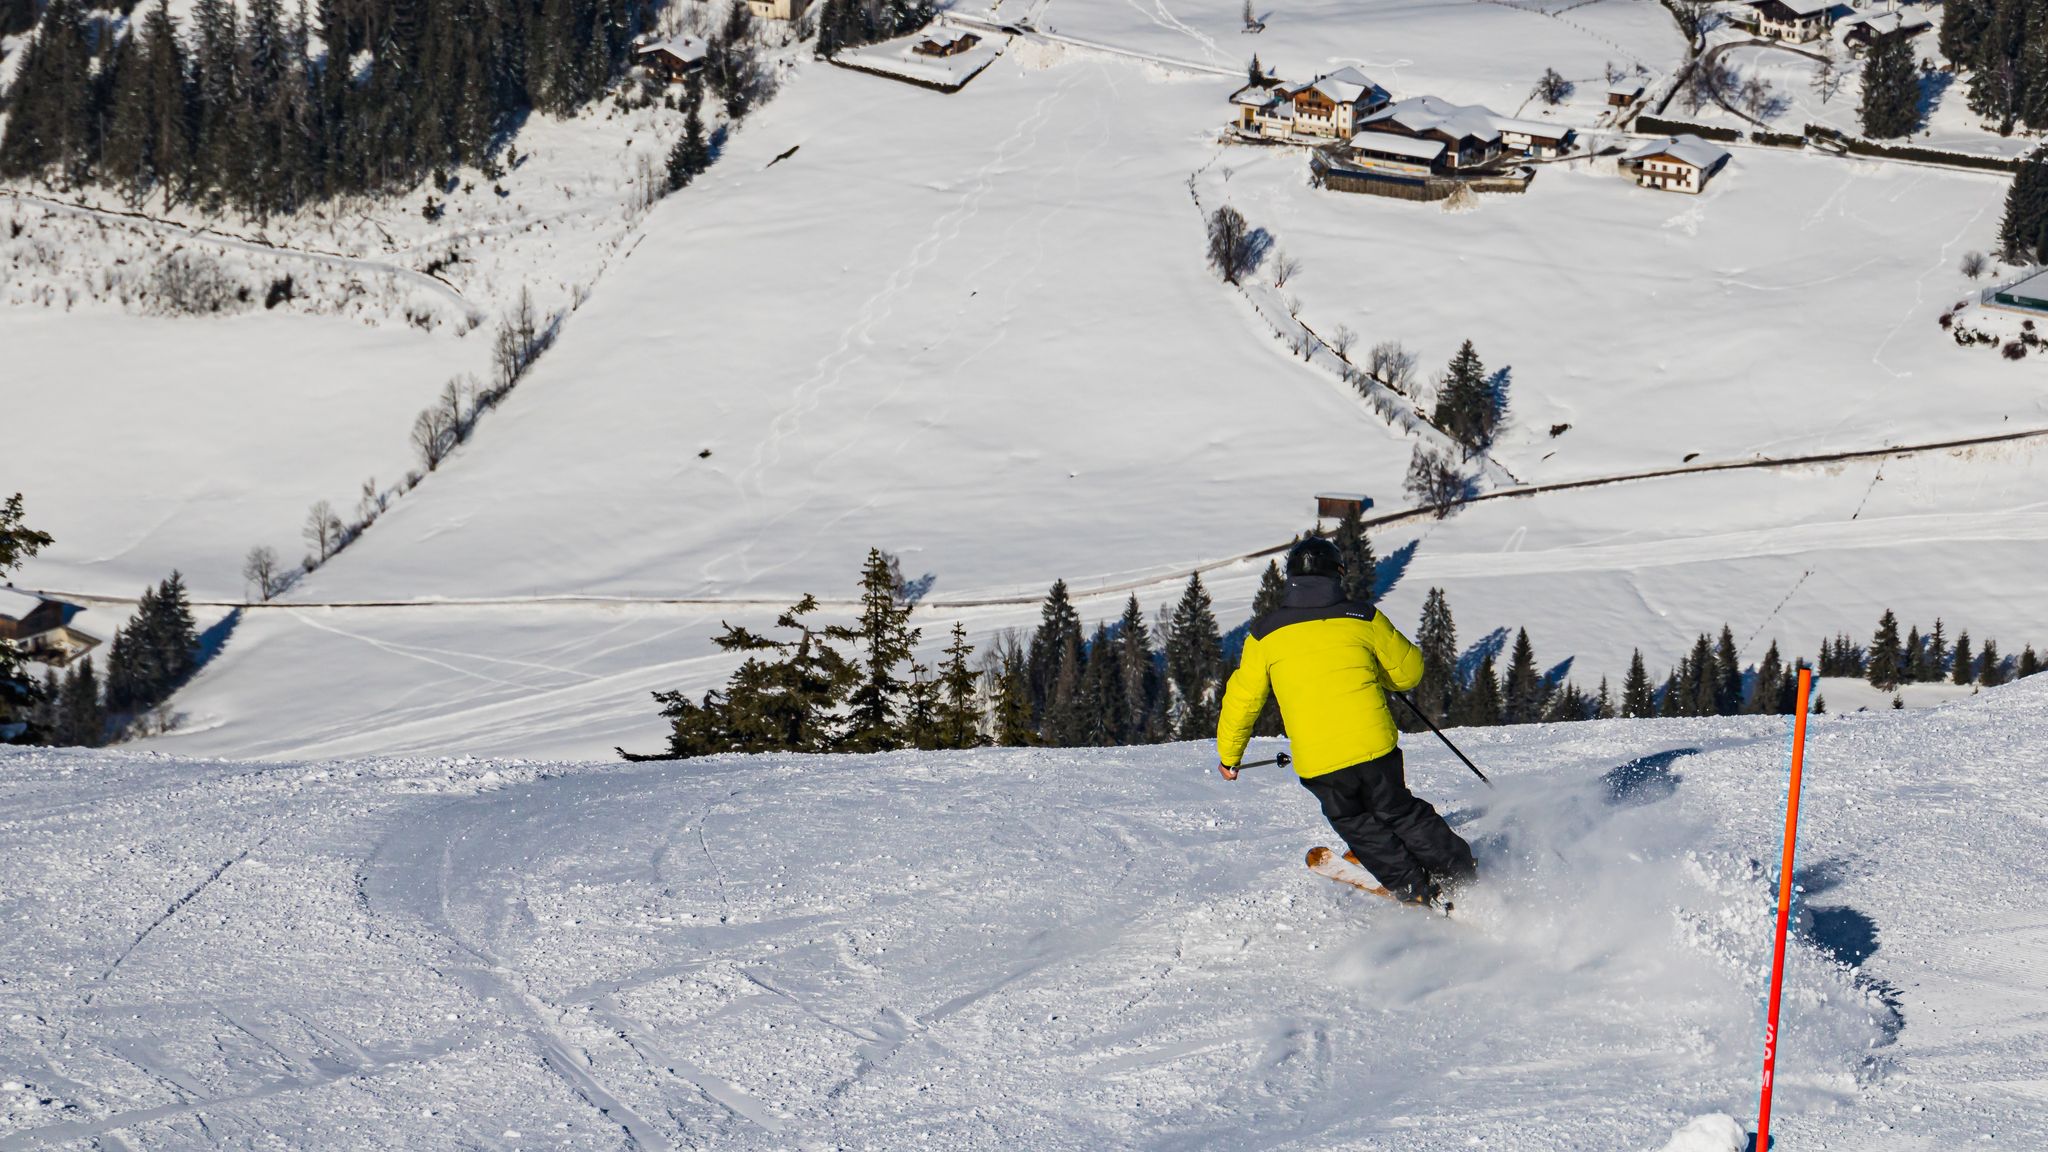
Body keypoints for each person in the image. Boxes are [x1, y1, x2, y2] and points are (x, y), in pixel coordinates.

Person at [1215, 537, 1476, 906]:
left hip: (1320, 762)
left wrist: (1230, 756)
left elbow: (1242, 701)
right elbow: (1409, 673)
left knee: (1357, 824)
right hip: (1374, 746)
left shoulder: (1264, 634)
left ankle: (1415, 888)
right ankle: (1459, 872)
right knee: (1398, 810)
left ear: (1290, 578)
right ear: (1338, 575)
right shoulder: (1362, 617)